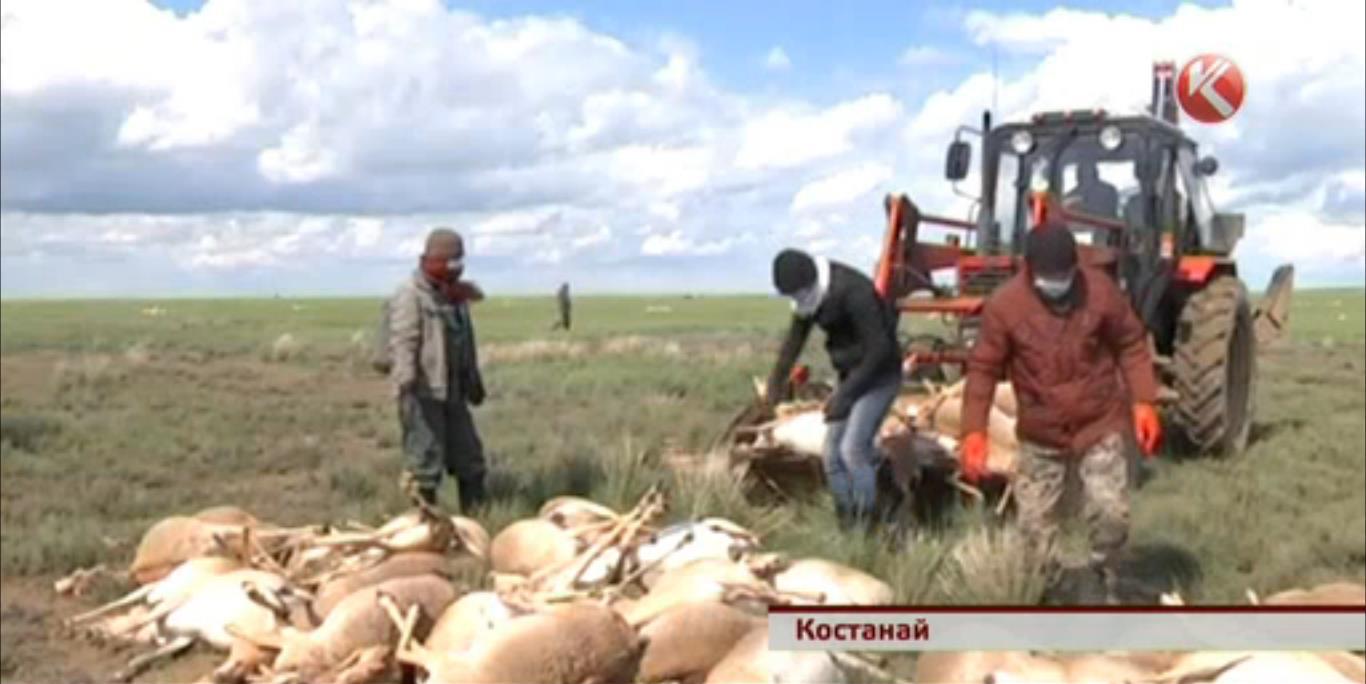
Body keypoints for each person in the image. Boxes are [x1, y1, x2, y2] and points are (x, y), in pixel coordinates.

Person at [958, 219, 1162, 602]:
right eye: (1049, 277)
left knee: (1110, 514)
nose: (1058, 283)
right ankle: (1048, 594)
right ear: (1029, 269)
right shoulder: (1005, 307)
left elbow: (1132, 344)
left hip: (1098, 422)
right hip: (1041, 432)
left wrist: (1144, 401)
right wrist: (973, 431)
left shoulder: (1100, 292)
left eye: (1064, 275)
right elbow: (983, 368)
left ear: (1075, 266)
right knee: (1034, 529)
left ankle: (1104, 581)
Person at [763, 249, 902, 531]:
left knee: (853, 450)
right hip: (850, 375)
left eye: (798, 294)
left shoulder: (854, 292)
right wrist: (775, 384)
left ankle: (869, 525)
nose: (797, 301)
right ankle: (847, 521)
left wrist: (845, 395)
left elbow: (880, 349)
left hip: (881, 375)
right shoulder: (808, 297)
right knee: (831, 456)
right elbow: (794, 341)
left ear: (811, 283)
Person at [388, 228, 489, 512]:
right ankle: (423, 523)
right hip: (423, 392)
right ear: (430, 260)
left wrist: (474, 382)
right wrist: (405, 387)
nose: (456, 268)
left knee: (470, 460)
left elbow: (465, 338)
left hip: (454, 392)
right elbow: (404, 341)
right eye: (450, 262)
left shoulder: (453, 295)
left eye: (459, 261)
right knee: (425, 463)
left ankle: (476, 521)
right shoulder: (411, 294)